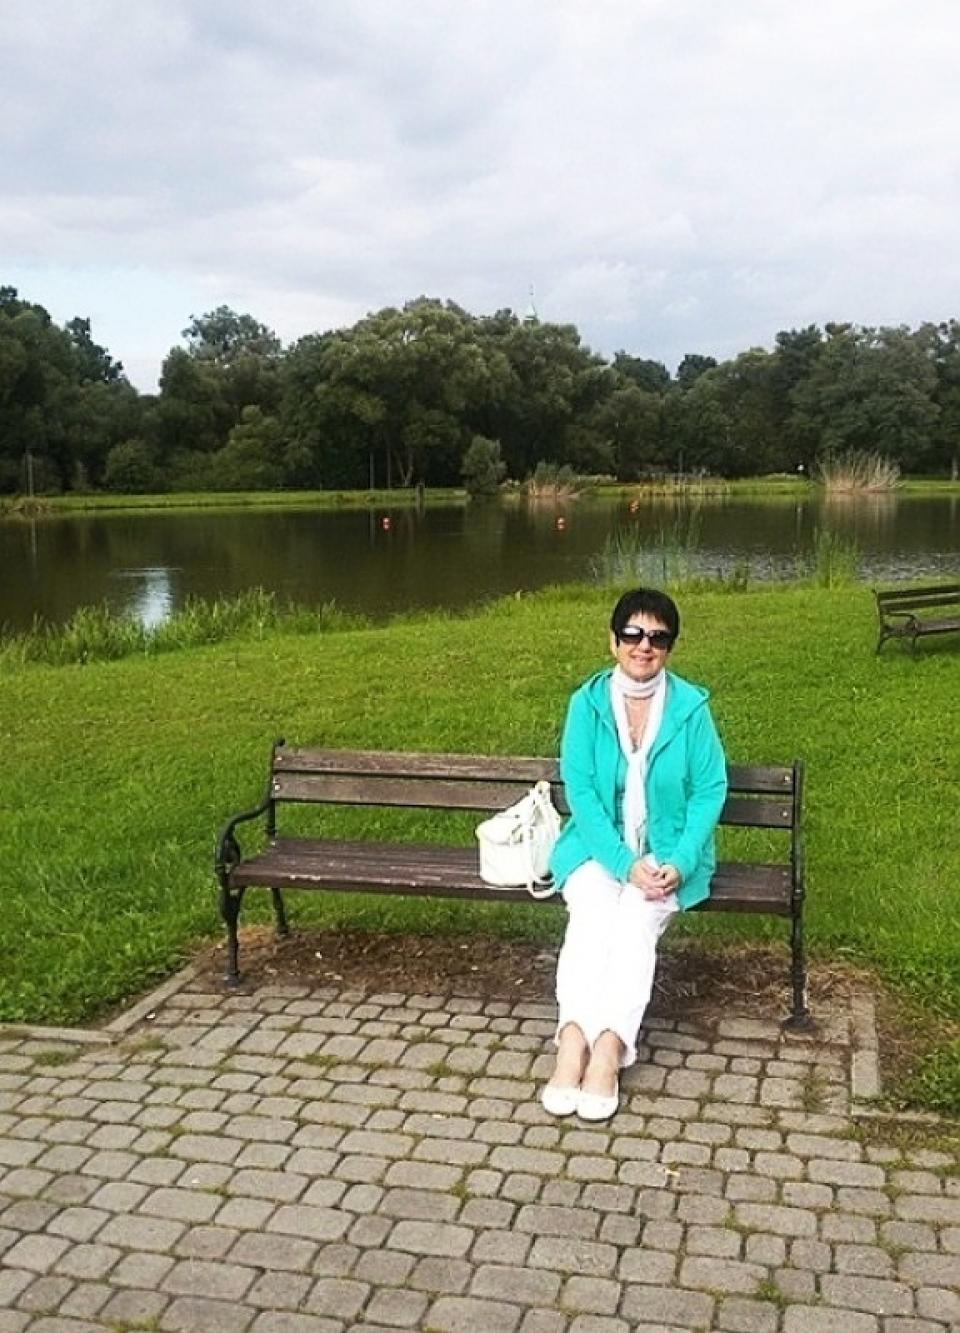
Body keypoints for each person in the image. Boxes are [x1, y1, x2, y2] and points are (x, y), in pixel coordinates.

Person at [543, 588, 727, 1122]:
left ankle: (609, 1050)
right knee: (591, 918)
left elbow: (709, 790)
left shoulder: (690, 709)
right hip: (597, 851)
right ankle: (572, 1040)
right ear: (613, 640)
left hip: (667, 857)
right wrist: (624, 863)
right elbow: (582, 794)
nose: (644, 646)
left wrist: (680, 862)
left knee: (634, 921)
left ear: (669, 647)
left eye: (658, 637)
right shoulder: (586, 704)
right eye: (633, 633)